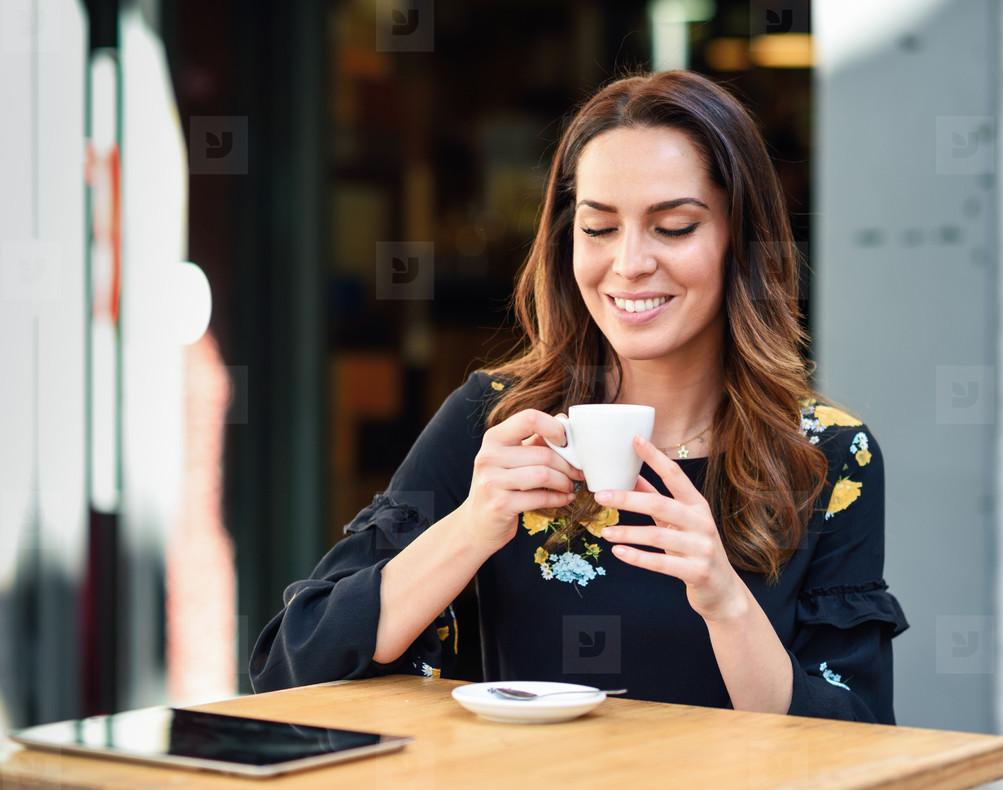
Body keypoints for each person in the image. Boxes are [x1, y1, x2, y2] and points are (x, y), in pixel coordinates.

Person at [249, 69, 908, 723]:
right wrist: (473, 528)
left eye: (673, 226)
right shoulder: (498, 423)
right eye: (598, 228)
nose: (629, 263)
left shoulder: (825, 455)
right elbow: (292, 668)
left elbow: (858, 741)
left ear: (742, 240)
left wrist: (725, 600)